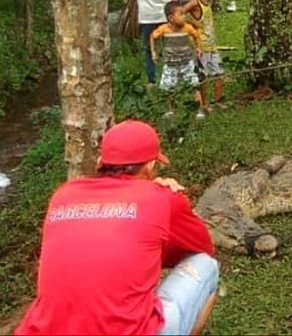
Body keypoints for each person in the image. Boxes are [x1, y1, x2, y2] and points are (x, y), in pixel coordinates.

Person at [14, 119, 219, 335]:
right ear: (150, 166)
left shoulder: (62, 195)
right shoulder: (161, 197)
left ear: (101, 162)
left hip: (44, 331)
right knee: (207, 265)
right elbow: (202, 246)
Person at [151, 2, 205, 119]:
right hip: (170, 64)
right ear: (170, 17)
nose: (184, 17)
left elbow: (196, 36)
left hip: (187, 63)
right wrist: (153, 51)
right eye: (181, 14)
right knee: (169, 88)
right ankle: (170, 111)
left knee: (194, 86)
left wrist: (198, 48)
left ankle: (199, 110)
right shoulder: (164, 29)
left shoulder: (187, 28)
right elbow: (152, 36)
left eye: (184, 14)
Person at [183, 0, 225, 112]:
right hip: (202, 47)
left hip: (212, 45)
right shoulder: (194, 2)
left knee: (220, 74)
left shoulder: (206, 1)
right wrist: (190, 25)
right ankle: (203, 104)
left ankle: (217, 101)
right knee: (203, 78)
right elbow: (180, 13)